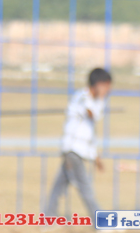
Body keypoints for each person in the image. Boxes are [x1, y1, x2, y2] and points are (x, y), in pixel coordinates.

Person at [44, 67, 112, 219]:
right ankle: (101, 222)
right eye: (107, 86)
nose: (108, 90)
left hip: (76, 151)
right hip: (73, 151)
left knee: (59, 186)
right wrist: (101, 99)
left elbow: (88, 132)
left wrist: (96, 156)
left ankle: (48, 219)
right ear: (99, 84)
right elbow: (93, 114)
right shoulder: (82, 97)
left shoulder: (91, 101)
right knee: (85, 187)